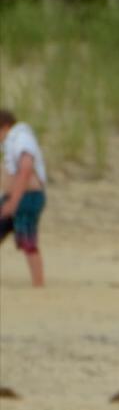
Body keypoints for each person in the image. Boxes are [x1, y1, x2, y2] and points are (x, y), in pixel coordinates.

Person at [0, 109, 49, 288]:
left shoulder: (21, 138)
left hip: (28, 197)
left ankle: (38, 283)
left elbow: (26, 168)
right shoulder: (10, 142)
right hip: (14, 196)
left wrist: (14, 202)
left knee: (27, 239)